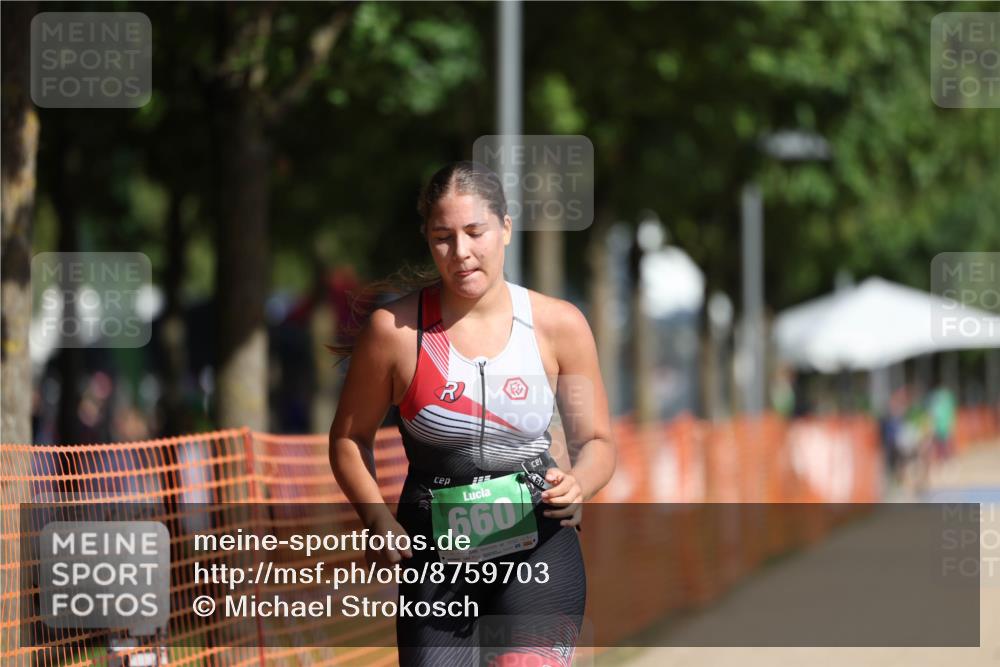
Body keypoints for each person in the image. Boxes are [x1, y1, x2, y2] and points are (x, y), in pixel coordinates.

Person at [328, 161, 616, 666]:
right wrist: (375, 517)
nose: (460, 252)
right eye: (443, 238)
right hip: (434, 559)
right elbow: (349, 439)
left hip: (539, 546)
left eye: (475, 232)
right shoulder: (394, 333)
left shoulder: (559, 325)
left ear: (505, 228)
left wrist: (581, 484)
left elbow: (598, 441)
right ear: (427, 239)